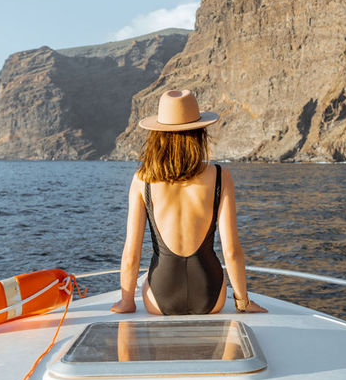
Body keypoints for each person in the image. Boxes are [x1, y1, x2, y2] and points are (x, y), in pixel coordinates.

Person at [110, 89, 266, 316]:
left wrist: (127, 301)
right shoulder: (220, 176)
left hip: (160, 298)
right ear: (199, 133)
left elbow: (131, 253)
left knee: (148, 276)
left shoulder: (142, 180)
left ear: (157, 136)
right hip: (210, 296)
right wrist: (243, 301)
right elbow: (231, 251)